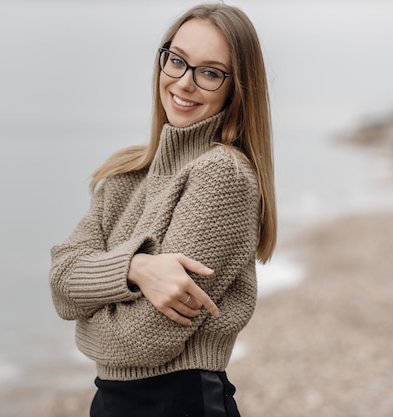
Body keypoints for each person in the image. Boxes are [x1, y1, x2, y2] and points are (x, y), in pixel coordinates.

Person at [49, 3, 276, 417]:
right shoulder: (125, 172)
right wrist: (135, 269)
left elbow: (145, 339)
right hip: (110, 402)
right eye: (177, 61)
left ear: (237, 87)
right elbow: (62, 282)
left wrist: (89, 315)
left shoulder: (223, 175)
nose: (184, 83)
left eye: (209, 72)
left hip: (181, 402)